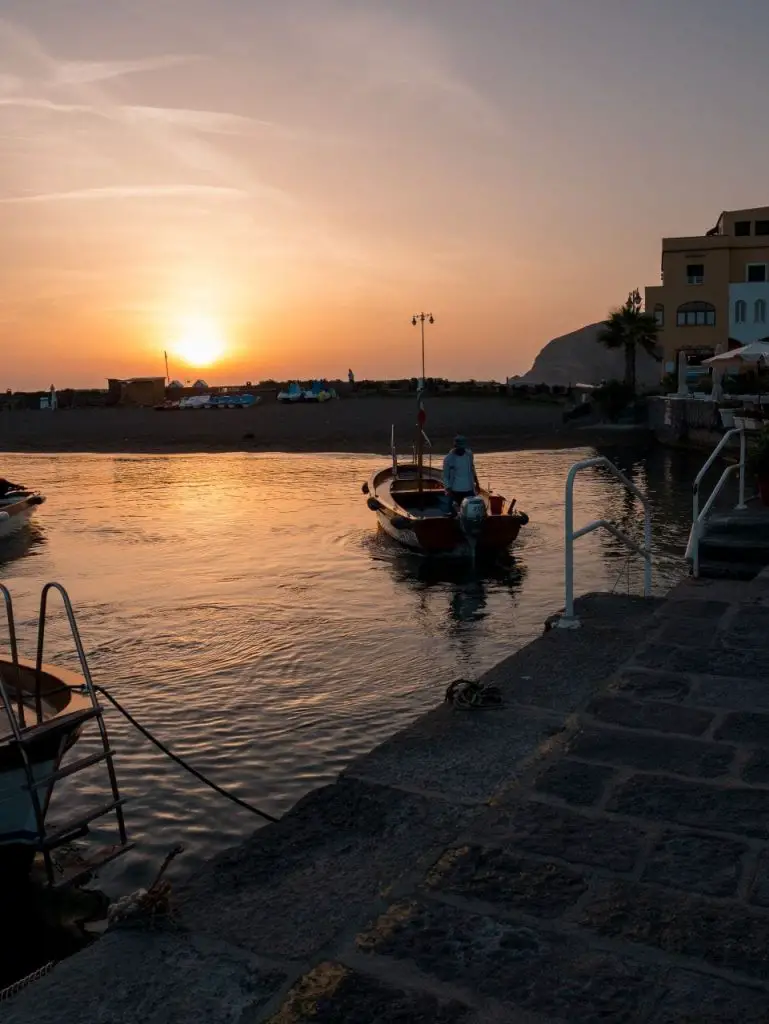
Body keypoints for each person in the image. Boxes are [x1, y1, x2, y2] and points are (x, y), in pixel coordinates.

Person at [443, 435, 479, 508]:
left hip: (469, 490)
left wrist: (477, 483)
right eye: (459, 448)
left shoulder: (469, 455)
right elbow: (445, 476)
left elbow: (472, 469)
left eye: (463, 448)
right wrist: (448, 489)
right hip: (455, 491)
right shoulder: (448, 459)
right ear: (455, 447)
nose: (461, 450)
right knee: (454, 513)